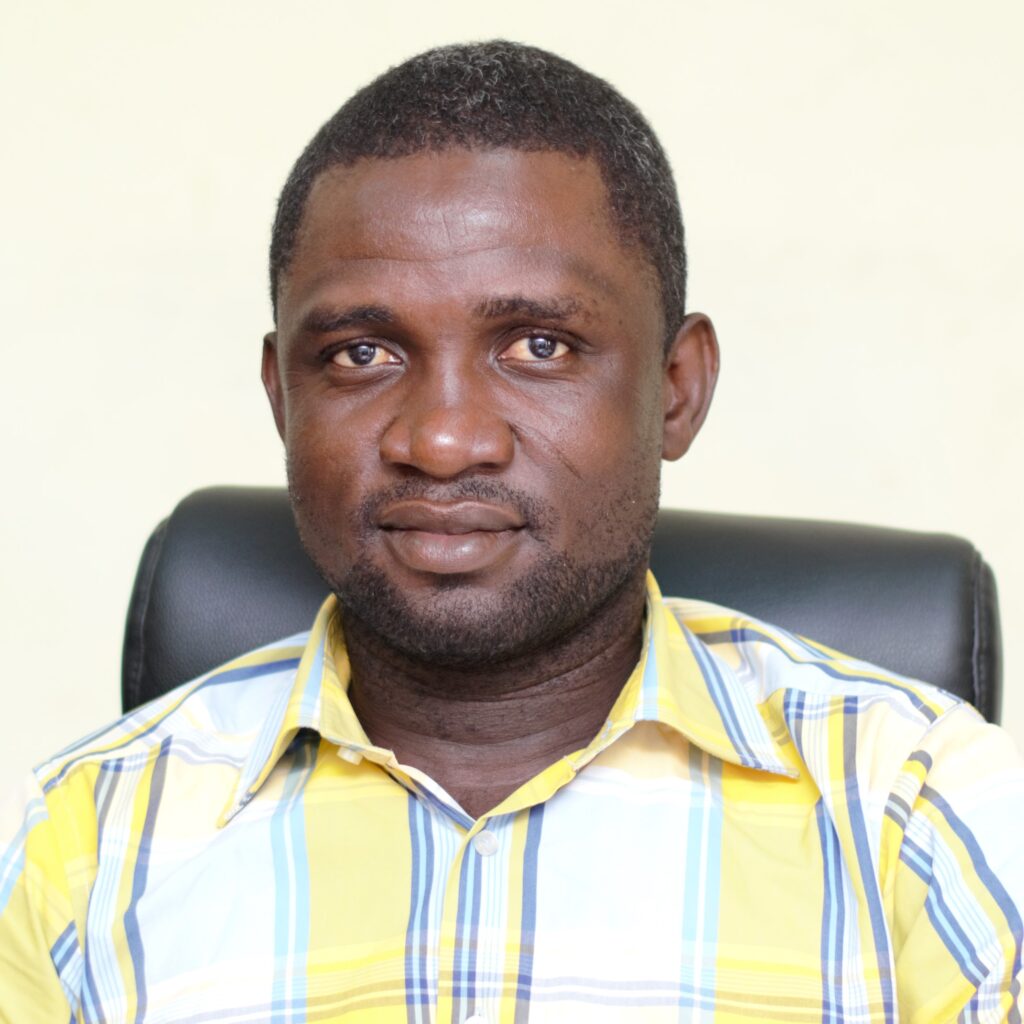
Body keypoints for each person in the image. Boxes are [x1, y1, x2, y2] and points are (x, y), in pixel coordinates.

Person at [1, 40, 1021, 1023]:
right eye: (361, 354)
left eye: (539, 345)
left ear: (676, 389)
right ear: (283, 399)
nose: (443, 440)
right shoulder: (78, 851)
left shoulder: (921, 815)